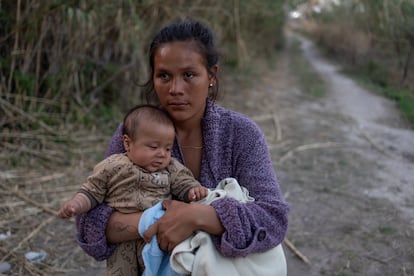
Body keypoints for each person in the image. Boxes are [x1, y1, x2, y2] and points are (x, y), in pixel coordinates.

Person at [76, 18, 289, 275]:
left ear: (211, 76)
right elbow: (90, 223)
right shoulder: (132, 134)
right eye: (164, 75)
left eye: (189, 75)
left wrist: (196, 217)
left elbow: (273, 218)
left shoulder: (241, 135)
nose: (175, 89)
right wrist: (153, 222)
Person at [59, 104, 208, 274]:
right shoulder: (113, 166)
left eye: (168, 148)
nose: (162, 154)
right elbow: (92, 191)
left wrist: (193, 190)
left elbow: (184, 182)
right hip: (122, 244)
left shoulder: (170, 167)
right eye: (153, 147)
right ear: (128, 143)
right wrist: (76, 204)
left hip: (157, 241)